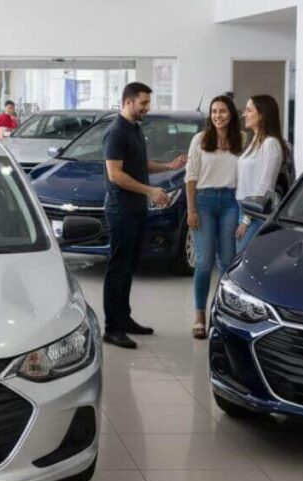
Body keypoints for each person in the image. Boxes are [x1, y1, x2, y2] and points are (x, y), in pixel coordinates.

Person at [102, 82, 188, 349]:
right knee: (118, 268)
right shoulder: (115, 132)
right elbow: (115, 174)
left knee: (129, 267)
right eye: (143, 104)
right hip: (121, 211)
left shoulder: (135, 129)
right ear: (128, 102)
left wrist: (166, 166)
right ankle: (112, 328)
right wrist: (150, 190)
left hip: (136, 209)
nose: (147, 109)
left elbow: (138, 164)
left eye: (148, 104)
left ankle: (124, 319)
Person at [185, 96, 243, 339]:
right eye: (214, 111)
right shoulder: (199, 140)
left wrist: (245, 215)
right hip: (204, 202)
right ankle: (199, 316)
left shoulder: (242, 139)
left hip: (232, 202)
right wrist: (191, 210)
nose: (218, 115)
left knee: (228, 260)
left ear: (231, 114)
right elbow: (191, 176)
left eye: (223, 111)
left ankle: (221, 312)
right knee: (204, 261)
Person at [236, 95, 287, 251]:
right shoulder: (255, 140)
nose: (244, 114)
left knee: (240, 261)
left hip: (255, 214)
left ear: (262, 114)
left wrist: (246, 220)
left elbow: (265, 186)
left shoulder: (270, 144)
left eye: (249, 110)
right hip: (244, 208)